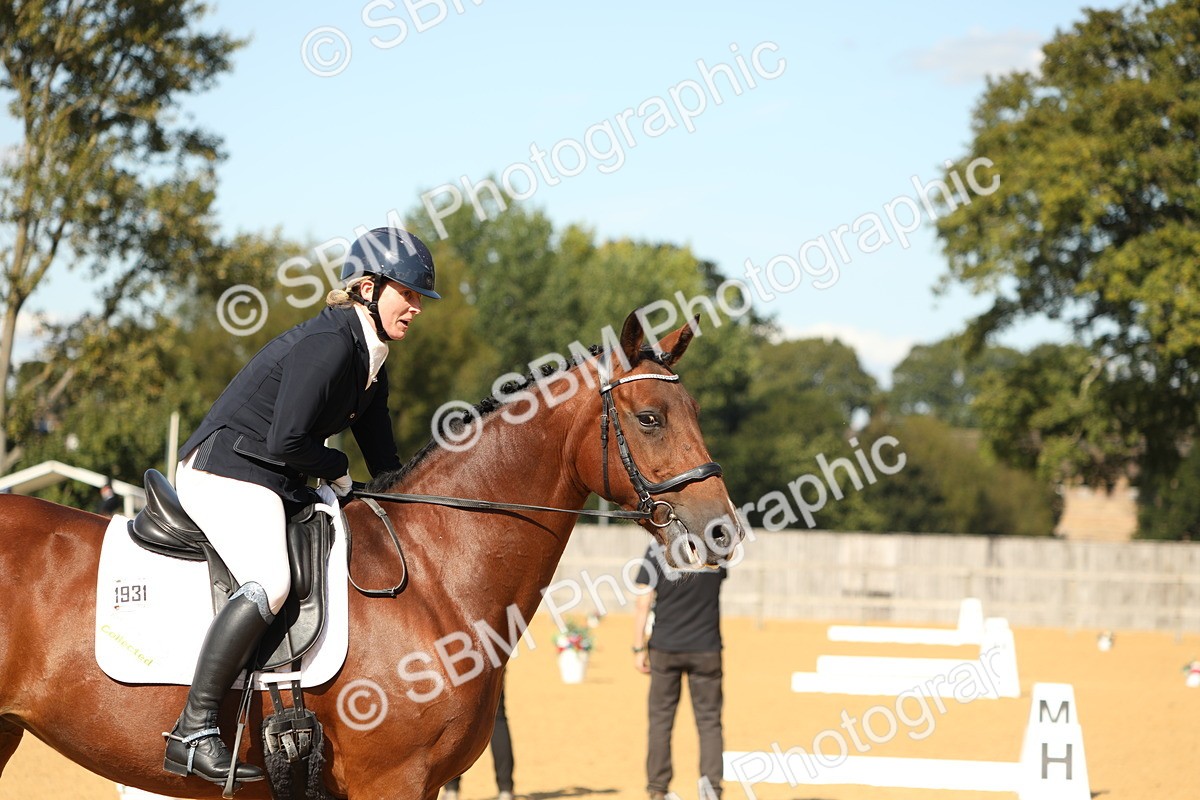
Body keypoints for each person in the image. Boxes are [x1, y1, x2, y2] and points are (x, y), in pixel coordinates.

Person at [162, 227, 439, 786]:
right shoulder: (331, 342)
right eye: (406, 294)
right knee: (272, 580)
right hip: (224, 469)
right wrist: (339, 473)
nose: (414, 307)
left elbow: (386, 465)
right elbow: (288, 441)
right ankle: (194, 728)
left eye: (418, 299)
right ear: (367, 287)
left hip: (272, 476)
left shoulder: (372, 357)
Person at [632, 545, 727, 800]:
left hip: (665, 648)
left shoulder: (656, 550)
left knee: (661, 722)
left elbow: (643, 603)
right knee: (709, 723)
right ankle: (712, 791)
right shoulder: (714, 548)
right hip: (706, 648)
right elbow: (719, 579)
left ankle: (657, 789)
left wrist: (638, 646)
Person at [442, 678, 515, 800]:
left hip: (456, 663)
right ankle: (505, 790)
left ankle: (451, 790)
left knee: (455, 718)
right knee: (498, 717)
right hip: (492, 661)